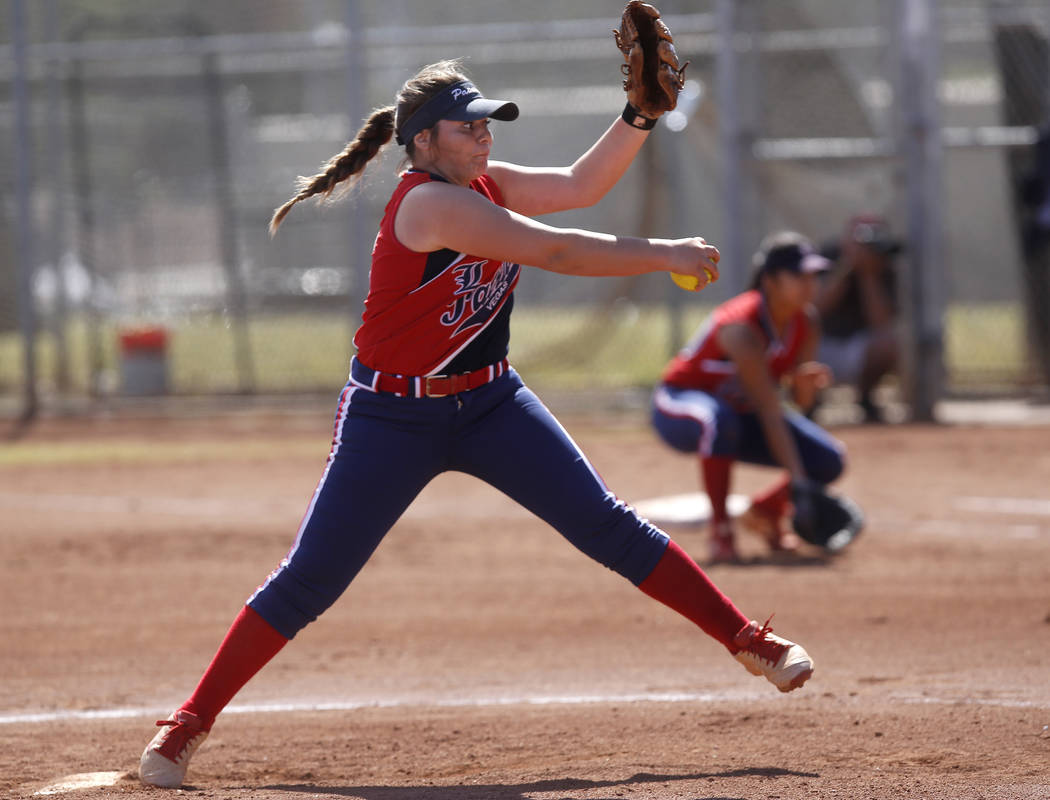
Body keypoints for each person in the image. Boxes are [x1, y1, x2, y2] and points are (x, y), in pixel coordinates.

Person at [138, 59, 814, 790]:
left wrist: (639, 117)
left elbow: (582, 187)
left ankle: (749, 641)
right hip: (392, 415)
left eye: (487, 123)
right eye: (469, 126)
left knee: (608, 524)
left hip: (491, 403)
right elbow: (552, 248)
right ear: (424, 142)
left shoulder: (483, 183)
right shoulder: (426, 205)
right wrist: (662, 254)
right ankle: (187, 724)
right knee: (311, 581)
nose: (484, 136)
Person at [651, 231, 848, 564]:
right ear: (769, 280)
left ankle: (766, 512)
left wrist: (802, 384)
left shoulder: (806, 323)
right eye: (799, 275)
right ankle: (721, 531)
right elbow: (771, 410)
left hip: (742, 413)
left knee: (828, 460)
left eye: (814, 275)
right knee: (720, 421)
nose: (810, 284)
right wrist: (799, 484)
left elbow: (797, 405)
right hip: (679, 404)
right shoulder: (742, 328)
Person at [814, 215, 902, 424]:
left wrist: (868, 276)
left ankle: (866, 399)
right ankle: (809, 403)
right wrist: (847, 267)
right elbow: (815, 309)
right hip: (819, 346)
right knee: (798, 338)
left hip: (857, 348)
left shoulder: (883, 268)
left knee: (887, 345)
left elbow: (881, 324)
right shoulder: (828, 257)